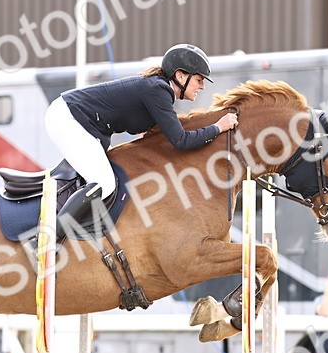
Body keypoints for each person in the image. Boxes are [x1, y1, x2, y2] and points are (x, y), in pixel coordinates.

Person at [41, 44, 238, 243]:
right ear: (180, 76)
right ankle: (47, 240)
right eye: (199, 79)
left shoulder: (159, 90)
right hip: (67, 118)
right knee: (104, 183)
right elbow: (181, 141)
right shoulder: (158, 90)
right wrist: (218, 127)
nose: (202, 86)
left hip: (76, 120)